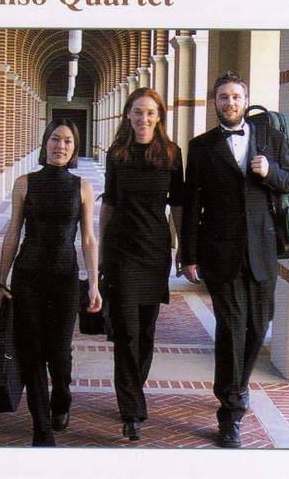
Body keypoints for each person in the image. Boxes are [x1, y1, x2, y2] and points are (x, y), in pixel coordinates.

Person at [181, 72, 289, 448]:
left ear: (245, 100)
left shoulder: (269, 137)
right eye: (223, 97)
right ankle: (231, 410)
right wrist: (188, 256)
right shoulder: (200, 147)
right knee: (232, 328)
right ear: (215, 102)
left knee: (257, 327)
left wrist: (270, 172)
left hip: (263, 250)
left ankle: (238, 387)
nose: (230, 102)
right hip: (220, 253)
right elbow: (191, 206)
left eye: (235, 96)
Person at [0, 118, 102, 447]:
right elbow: (13, 232)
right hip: (27, 276)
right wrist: (1, 281)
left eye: (68, 141)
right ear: (45, 143)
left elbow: (88, 239)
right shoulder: (24, 183)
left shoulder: (82, 187)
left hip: (65, 278)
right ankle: (41, 429)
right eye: (55, 139)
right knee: (32, 352)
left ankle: (62, 399)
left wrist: (94, 284)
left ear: (75, 148)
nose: (61, 146)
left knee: (59, 352)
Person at [99, 87, 184, 442]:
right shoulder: (117, 154)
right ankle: (131, 411)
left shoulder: (172, 154)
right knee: (127, 331)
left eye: (150, 112)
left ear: (159, 116)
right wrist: (100, 254)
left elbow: (177, 204)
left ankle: (132, 390)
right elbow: (109, 203)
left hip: (155, 250)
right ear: (128, 115)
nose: (143, 118)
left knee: (146, 332)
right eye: (137, 112)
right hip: (121, 251)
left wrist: (182, 247)